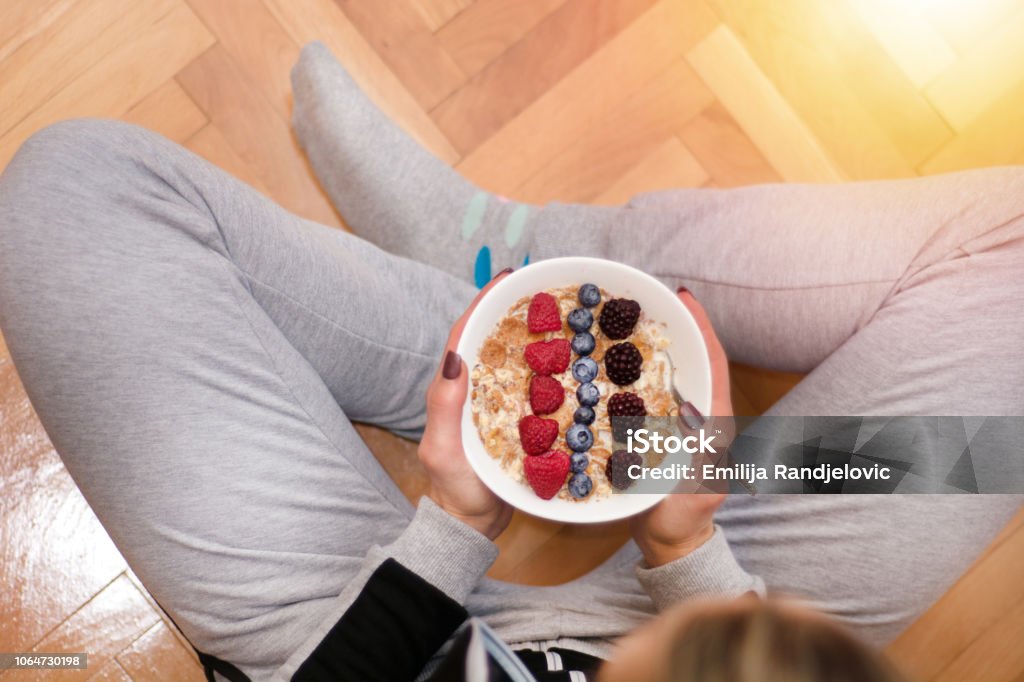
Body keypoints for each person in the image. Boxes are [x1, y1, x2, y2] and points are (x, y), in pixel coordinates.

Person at [0, 42, 1020, 681]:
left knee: (75, 190)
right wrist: (684, 552)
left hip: (342, 637)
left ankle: (487, 331)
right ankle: (505, 261)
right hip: (712, 638)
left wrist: (450, 533)